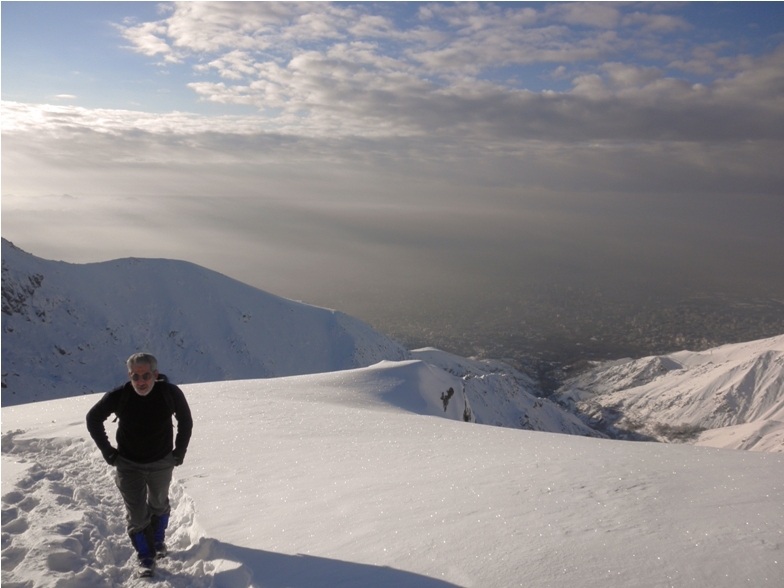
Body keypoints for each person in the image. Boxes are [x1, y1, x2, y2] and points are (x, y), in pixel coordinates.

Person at [86, 353, 193, 577]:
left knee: (159, 505)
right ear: (129, 376)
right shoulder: (120, 395)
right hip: (128, 464)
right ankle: (146, 556)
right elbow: (93, 418)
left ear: (155, 375)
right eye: (136, 376)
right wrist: (109, 453)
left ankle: (157, 541)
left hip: (162, 461)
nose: (141, 381)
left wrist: (179, 452)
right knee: (136, 514)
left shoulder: (169, 393)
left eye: (146, 376)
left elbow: (186, 420)